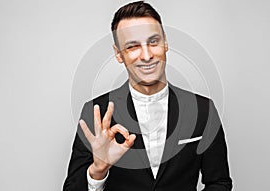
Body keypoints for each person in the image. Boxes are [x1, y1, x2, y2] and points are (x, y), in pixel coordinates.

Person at [63, 1, 232, 191]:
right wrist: (98, 171)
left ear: (165, 42)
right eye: (132, 46)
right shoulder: (96, 113)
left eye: (153, 42)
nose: (146, 55)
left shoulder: (204, 110)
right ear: (119, 54)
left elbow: (219, 183)